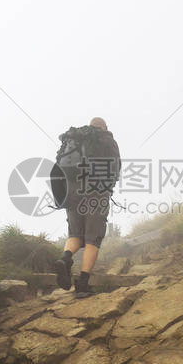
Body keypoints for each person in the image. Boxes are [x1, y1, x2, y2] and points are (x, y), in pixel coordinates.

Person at [53, 117, 121, 297]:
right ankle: (82, 283)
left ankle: (65, 258)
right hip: (96, 194)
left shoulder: (75, 139)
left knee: (75, 234)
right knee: (93, 239)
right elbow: (115, 168)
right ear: (104, 127)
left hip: (72, 192)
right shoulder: (107, 140)